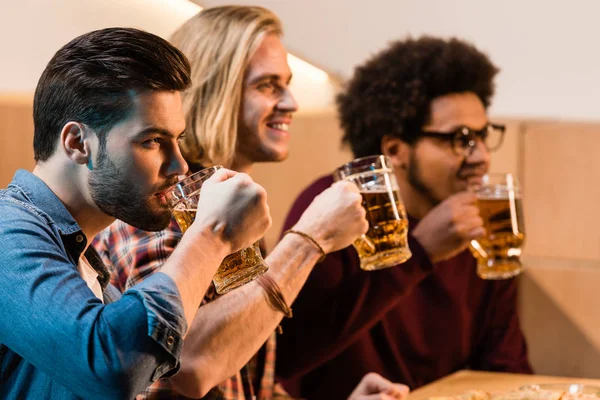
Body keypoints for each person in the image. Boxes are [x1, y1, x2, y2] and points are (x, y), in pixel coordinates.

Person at [93, 6, 406, 400]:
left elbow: (239, 384)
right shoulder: (164, 204)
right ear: (213, 91)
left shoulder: (228, 201)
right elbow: (186, 366)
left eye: (287, 84)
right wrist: (309, 239)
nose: (291, 102)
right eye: (268, 85)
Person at [0, 27, 272, 400]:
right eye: (152, 141)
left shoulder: (92, 273)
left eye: (178, 140)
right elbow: (111, 368)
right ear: (78, 143)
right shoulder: (6, 232)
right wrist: (212, 235)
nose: (179, 165)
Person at [276, 36, 534, 400]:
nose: (481, 157)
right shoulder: (332, 209)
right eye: (460, 138)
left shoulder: (485, 221)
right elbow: (290, 354)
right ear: (396, 150)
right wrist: (420, 251)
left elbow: (505, 364)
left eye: (483, 135)